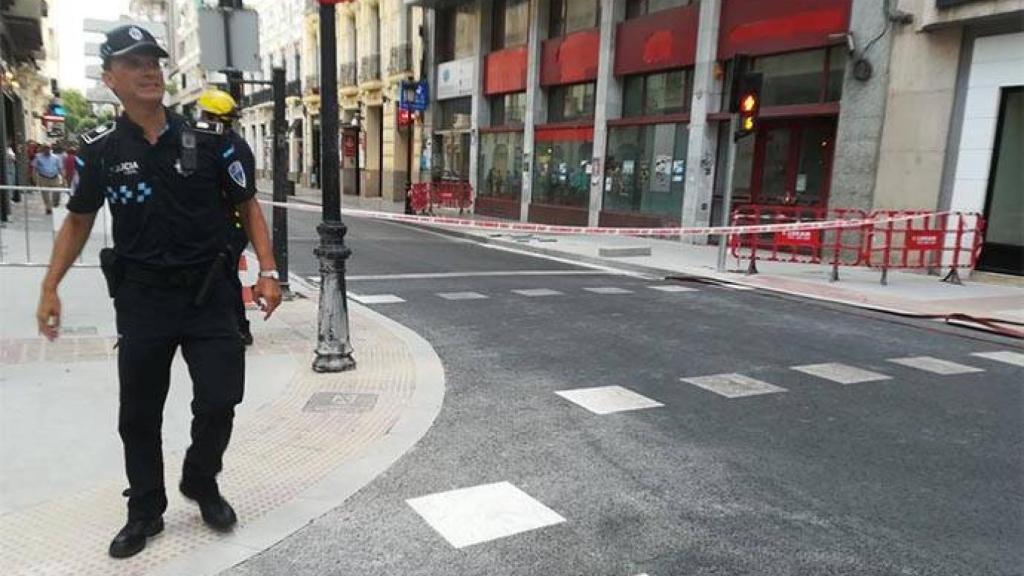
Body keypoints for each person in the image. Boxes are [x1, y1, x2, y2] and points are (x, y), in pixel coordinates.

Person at [34, 25, 282, 559]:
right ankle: (145, 508)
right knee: (139, 414)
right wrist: (49, 285)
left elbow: (248, 206)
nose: (149, 70)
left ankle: (201, 479)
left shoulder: (212, 143)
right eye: (133, 62)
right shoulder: (101, 151)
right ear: (110, 79)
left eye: (154, 61)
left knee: (219, 401)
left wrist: (269, 270)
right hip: (143, 299)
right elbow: (78, 222)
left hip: (209, 295)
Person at [196, 88, 254, 346]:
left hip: (231, 225)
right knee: (224, 275)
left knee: (225, 275)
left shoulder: (231, 148)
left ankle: (239, 328)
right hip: (221, 223)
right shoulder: (217, 143)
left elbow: (243, 197)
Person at [31, 143, 63, 214]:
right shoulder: (38, 157)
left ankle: (55, 204)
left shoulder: (55, 157)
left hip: (55, 177)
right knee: (45, 194)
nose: (47, 150)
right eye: (45, 148)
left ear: (51, 149)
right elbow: (34, 168)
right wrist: (34, 178)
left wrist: (63, 178)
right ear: (42, 149)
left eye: (48, 148)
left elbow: (60, 168)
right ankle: (48, 208)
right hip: (43, 178)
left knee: (57, 192)